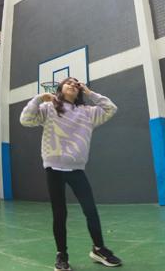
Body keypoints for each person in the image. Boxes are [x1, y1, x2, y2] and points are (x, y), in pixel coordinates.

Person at [20, 77, 122, 271]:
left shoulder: (88, 112)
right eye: (69, 82)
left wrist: (90, 94)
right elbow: (25, 120)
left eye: (77, 84)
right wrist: (39, 98)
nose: (73, 85)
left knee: (90, 210)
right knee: (59, 214)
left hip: (76, 170)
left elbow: (111, 108)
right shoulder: (49, 108)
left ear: (80, 90)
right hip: (54, 169)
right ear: (60, 88)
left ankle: (99, 249)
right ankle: (62, 255)